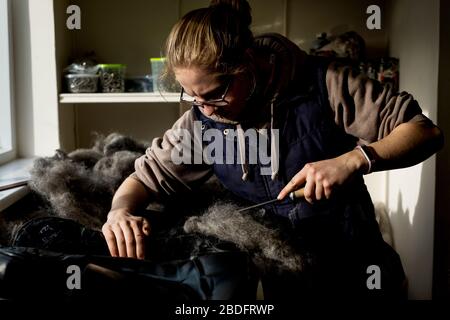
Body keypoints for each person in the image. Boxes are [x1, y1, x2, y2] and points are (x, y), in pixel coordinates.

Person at [101, 0, 443, 298]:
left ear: (249, 62)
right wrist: (120, 212)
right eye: (192, 96)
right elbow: (144, 180)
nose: (205, 108)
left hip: (360, 275)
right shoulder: (201, 123)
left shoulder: (325, 84)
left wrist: (354, 160)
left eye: (216, 92)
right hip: (285, 285)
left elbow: (424, 131)